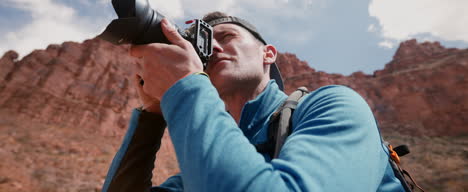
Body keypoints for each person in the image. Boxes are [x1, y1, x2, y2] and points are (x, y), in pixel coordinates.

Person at [102, 12, 405, 191]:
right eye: (206, 44)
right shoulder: (205, 169)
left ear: (267, 54)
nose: (215, 49)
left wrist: (185, 85)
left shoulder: (332, 105)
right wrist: (153, 116)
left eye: (228, 36)